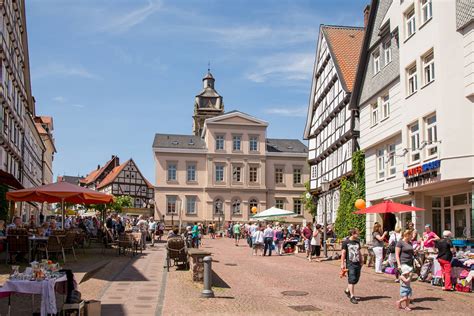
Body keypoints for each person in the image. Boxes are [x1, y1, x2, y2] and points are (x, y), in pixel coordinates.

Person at [341, 228, 363, 304]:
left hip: (357, 263)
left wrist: (361, 261)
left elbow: (359, 252)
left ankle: (347, 290)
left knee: (356, 279)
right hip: (350, 264)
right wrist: (342, 264)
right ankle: (352, 296)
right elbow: (343, 254)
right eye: (357, 233)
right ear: (353, 234)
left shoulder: (357, 242)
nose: (358, 234)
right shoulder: (345, 242)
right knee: (352, 278)